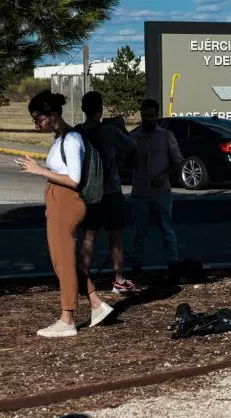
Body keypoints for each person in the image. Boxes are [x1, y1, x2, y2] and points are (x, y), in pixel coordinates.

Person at [19, 90, 113, 337]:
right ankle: (96, 304)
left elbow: (74, 180)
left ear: (52, 115)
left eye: (38, 119)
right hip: (58, 203)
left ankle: (67, 319)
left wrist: (39, 170)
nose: (36, 124)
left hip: (67, 203)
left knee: (63, 263)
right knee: (65, 261)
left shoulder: (72, 139)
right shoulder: (60, 138)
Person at [77, 91, 141, 294]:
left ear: (83, 109)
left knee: (89, 235)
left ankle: (82, 276)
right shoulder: (109, 131)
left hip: (87, 191)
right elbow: (132, 145)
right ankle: (119, 279)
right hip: (110, 190)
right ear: (100, 108)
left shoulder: (77, 132)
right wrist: (120, 126)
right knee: (115, 235)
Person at [129, 98, 183, 277]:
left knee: (167, 228)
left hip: (161, 192)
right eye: (145, 115)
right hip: (139, 192)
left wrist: (164, 175)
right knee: (139, 231)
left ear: (157, 115)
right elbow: (125, 159)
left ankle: (173, 263)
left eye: (151, 115)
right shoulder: (134, 137)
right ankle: (137, 265)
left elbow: (177, 161)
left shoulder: (166, 136)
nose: (148, 119)